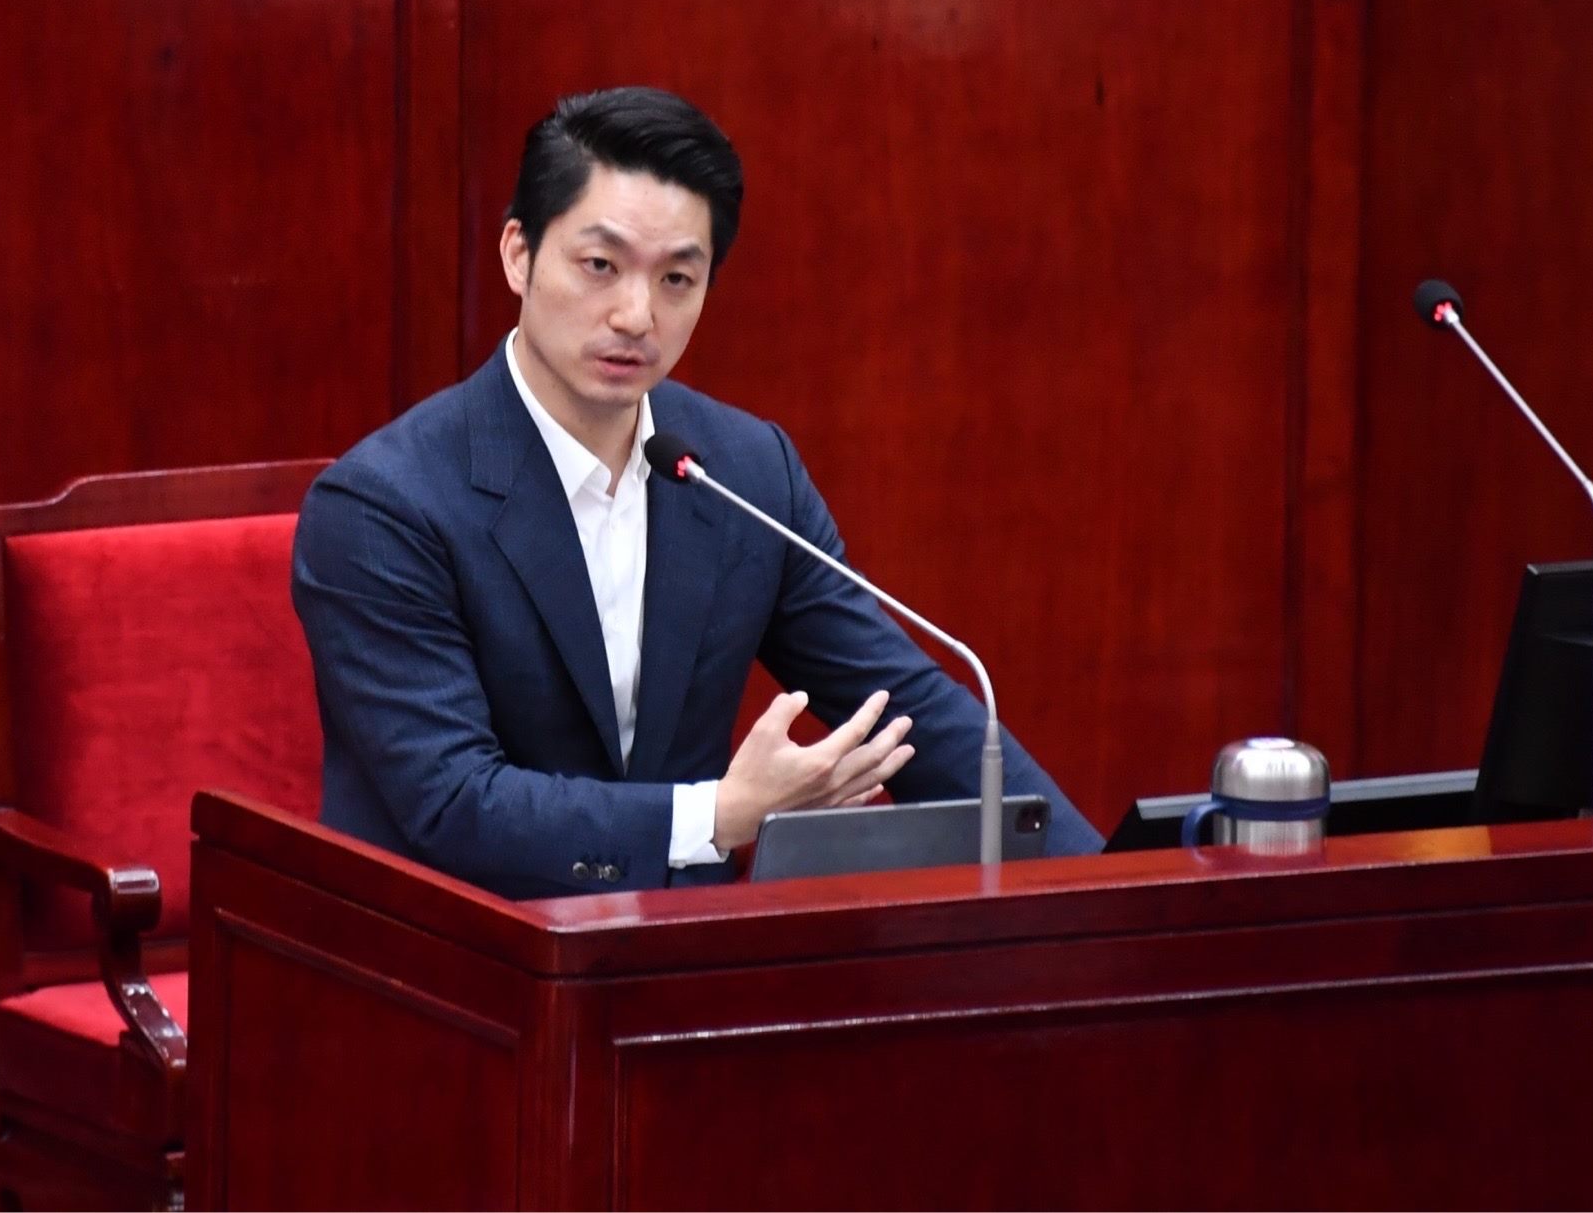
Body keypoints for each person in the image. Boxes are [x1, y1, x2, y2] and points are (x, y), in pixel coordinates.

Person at [293, 86, 1101, 898]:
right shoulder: (383, 506)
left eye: (678, 277)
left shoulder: (743, 471)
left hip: (675, 953)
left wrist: (1113, 888)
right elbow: (455, 804)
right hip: (456, 946)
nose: (636, 314)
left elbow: (907, 708)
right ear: (518, 254)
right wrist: (717, 814)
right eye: (600, 266)